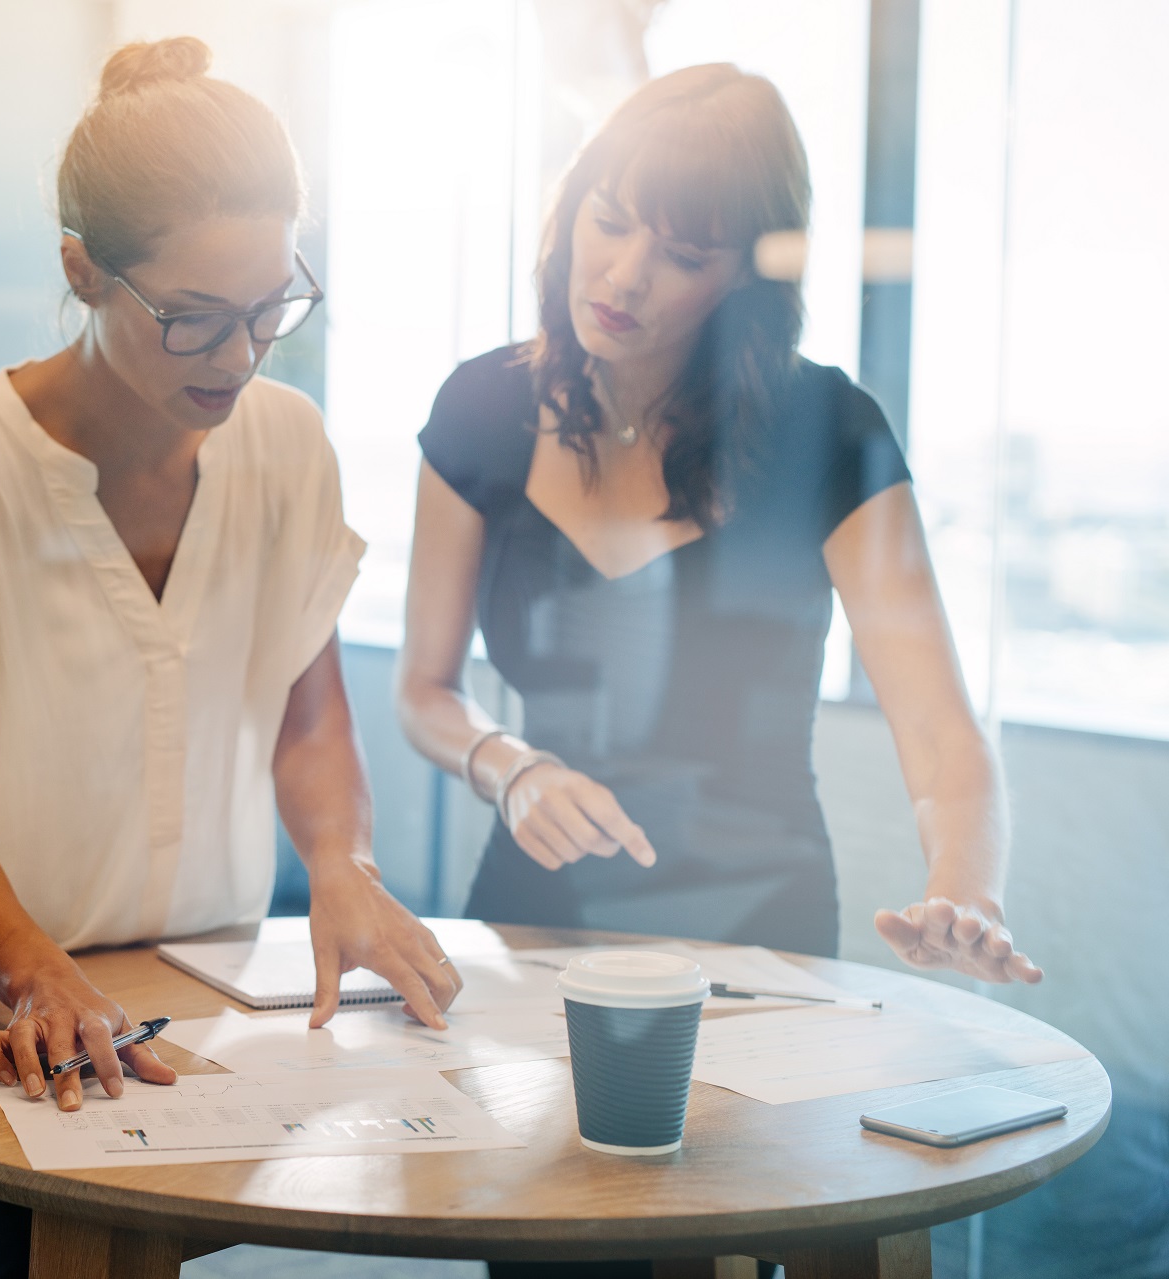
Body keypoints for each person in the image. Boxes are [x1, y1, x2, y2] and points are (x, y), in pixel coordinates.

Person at [398, 66, 1041, 1278]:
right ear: (572, 206)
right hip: (538, 925)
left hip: (761, 934)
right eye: (610, 221)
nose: (626, 274)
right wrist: (510, 764)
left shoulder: (827, 432)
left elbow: (945, 736)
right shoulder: (481, 408)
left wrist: (970, 891)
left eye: (683, 252)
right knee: (553, 1252)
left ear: (746, 271)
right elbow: (424, 690)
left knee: (780, 1235)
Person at [0, 36, 462, 1114]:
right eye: (192, 316)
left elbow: (310, 713)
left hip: (201, 982)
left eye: (270, 307)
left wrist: (345, 864)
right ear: (81, 268)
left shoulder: (286, 444)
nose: (238, 357)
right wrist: (34, 972)